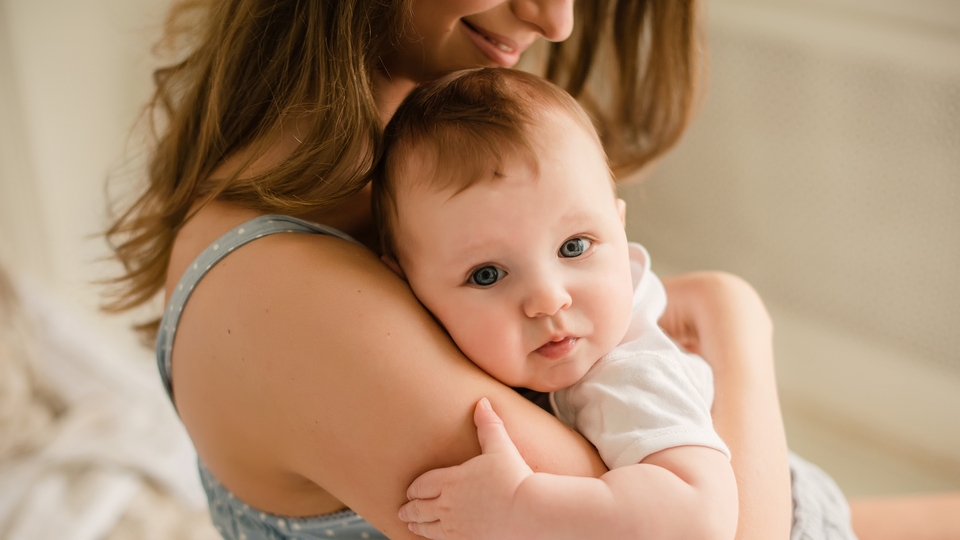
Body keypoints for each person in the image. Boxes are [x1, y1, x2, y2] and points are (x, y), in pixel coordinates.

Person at [103, 1, 960, 539]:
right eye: (485, 277)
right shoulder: (283, 293)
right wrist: (739, 331)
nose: (557, 20)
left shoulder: (421, 190)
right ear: (408, 268)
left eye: (580, 247)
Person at [373, 67, 740, 539]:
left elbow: (700, 517)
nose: (548, 299)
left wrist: (520, 507)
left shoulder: (628, 375)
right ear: (406, 287)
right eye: (487, 275)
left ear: (620, 228)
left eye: (574, 247)